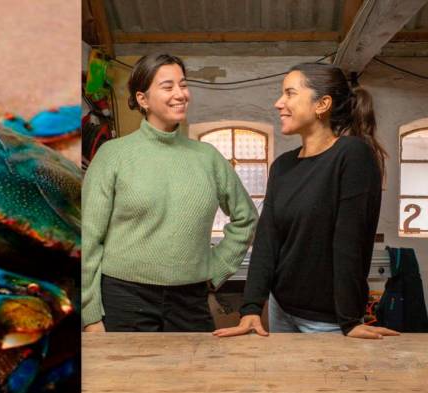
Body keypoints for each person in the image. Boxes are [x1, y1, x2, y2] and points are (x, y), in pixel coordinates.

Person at [213, 63, 400, 339]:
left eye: (290, 93)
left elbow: (349, 241)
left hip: (329, 320)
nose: (279, 103)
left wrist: (348, 321)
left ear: (322, 104)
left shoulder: (351, 155)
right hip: (282, 309)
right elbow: (267, 240)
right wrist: (251, 308)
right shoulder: (283, 166)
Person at [82, 54, 258, 332]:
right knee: (128, 377)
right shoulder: (113, 155)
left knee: (193, 375)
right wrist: (90, 314)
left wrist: (217, 269)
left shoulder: (208, 158)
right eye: (168, 86)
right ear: (142, 99)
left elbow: (246, 218)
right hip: (124, 299)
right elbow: (87, 239)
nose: (180, 94)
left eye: (183, 85)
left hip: (191, 300)